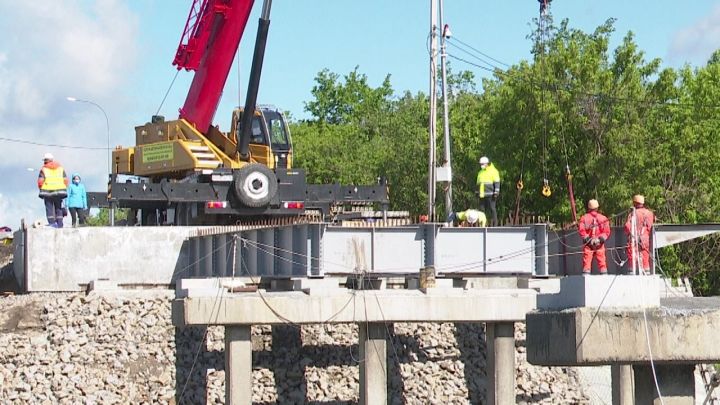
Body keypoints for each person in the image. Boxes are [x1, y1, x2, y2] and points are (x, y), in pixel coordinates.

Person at [578, 199, 611, 274]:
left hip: (588, 244)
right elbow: (607, 232)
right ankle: (604, 276)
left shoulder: (584, 218)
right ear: (597, 208)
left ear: (589, 208)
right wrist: (600, 240)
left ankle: (586, 278)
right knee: (602, 262)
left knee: (587, 263)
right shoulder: (603, 218)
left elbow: (581, 230)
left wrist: (588, 239)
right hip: (600, 244)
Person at [624, 194, 655, 274]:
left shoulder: (633, 213)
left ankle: (631, 272)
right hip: (645, 239)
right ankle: (646, 272)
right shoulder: (649, 213)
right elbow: (650, 227)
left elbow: (627, 227)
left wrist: (630, 234)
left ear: (635, 203)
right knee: (645, 255)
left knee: (632, 256)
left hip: (634, 237)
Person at [37, 153, 69, 228]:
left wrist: (41, 188)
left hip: (47, 191)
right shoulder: (60, 168)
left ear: (46, 160)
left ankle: (52, 224)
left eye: (44, 160)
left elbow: (40, 181)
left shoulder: (44, 169)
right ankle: (60, 224)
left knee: (49, 208)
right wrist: (63, 187)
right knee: (58, 207)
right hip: (59, 191)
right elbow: (65, 180)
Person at [476, 156, 500, 226]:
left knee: (492, 209)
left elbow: (497, 182)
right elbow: (478, 183)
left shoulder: (494, 171)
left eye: (482, 164)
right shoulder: (480, 172)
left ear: (487, 163)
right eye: (480, 164)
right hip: (482, 195)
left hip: (491, 194)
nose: (481, 166)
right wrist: (477, 192)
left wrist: (496, 192)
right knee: (482, 211)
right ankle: (483, 225)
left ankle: (495, 225)